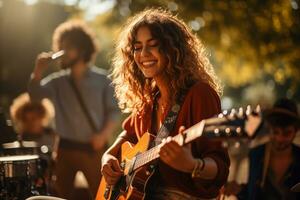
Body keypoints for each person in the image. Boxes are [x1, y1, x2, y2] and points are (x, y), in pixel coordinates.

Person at [101, 8, 230, 200]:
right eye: (137, 47)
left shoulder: (200, 94)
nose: (143, 54)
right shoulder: (149, 99)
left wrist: (192, 164)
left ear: (172, 49)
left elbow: (220, 168)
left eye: (152, 45)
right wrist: (108, 156)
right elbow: (127, 133)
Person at [28, 20, 120, 199]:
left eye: (68, 47)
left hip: (94, 149)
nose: (62, 51)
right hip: (64, 150)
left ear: (83, 49)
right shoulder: (57, 82)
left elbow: (114, 111)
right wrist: (38, 71)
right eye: (60, 46)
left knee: (104, 195)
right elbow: (34, 97)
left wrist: (102, 135)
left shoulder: (103, 80)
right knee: (60, 196)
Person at [225, 98, 300, 200]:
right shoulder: (256, 154)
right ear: (269, 128)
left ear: (296, 131)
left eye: (286, 133)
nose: (279, 138)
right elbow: (253, 195)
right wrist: (239, 190)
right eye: (275, 132)